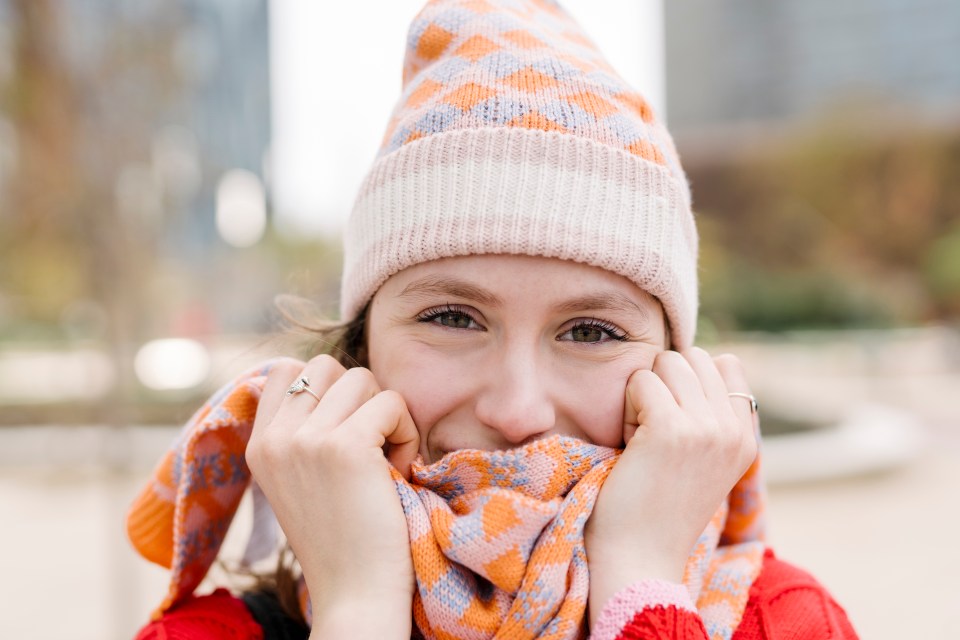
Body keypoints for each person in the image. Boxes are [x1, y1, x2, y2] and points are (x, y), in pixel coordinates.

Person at [127, 1, 859, 638]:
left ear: (676, 375)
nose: (516, 411)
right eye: (453, 317)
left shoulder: (789, 622)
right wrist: (357, 611)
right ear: (360, 353)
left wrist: (639, 584)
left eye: (591, 332)